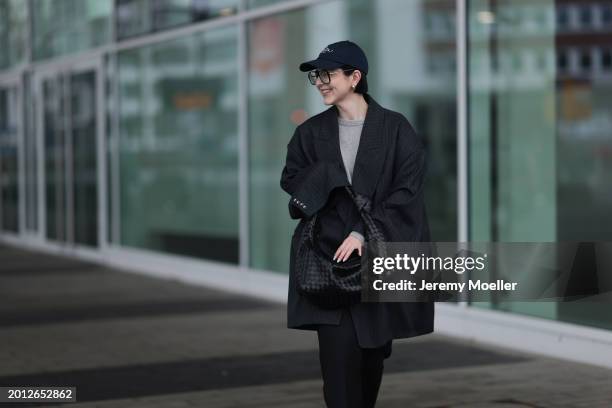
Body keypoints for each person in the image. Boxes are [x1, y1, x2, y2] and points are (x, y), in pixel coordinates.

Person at [280, 40, 434, 408]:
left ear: (355, 76)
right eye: (316, 75)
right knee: (338, 373)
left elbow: (407, 191)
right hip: (326, 263)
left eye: (327, 74)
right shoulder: (310, 133)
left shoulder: (395, 129)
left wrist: (362, 231)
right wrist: (327, 174)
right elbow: (292, 180)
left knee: (370, 362)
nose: (319, 81)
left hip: (375, 264)